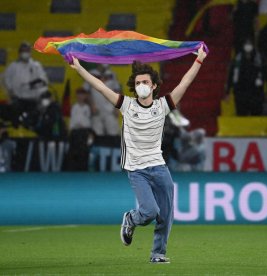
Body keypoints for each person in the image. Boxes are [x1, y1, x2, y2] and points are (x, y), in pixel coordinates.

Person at [70, 46, 207, 264]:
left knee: (166, 212)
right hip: (137, 169)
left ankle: (158, 253)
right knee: (150, 211)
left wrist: (199, 59)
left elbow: (185, 82)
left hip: (159, 167)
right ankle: (131, 218)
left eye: (145, 82)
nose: (141, 86)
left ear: (153, 85)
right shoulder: (127, 105)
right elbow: (99, 86)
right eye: (137, 83)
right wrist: (78, 68)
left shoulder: (163, 106)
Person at [4, 42, 49, 123]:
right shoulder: (13, 66)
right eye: (23, 51)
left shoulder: (36, 66)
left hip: (33, 100)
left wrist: (35, 88)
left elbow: (43, 81)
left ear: (30, 52)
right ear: (19, 52)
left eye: (27, 51)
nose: (25, 53)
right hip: (18, 99)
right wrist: (10, 91)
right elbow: (6, 79)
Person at [226, 38, 267, 116]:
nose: (248, 46)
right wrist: (228, 91)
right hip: (241, 93)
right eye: (246, 44)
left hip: (256, 93)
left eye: (250, 44)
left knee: (256, 116)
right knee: (241, 116)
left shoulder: (260, 58)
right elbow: (231, 75)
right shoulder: (237, 59)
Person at [82, 64, 121, 136]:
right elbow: (86, 92)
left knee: (113, 134)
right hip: (96, 111)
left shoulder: (112, 74)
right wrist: (92, 106)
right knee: (97, 134)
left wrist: (117, 109)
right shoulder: (91, 73)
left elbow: (117, 92)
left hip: (110, 111)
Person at [66, 88, 93, 171]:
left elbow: (88, 120)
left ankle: (84, 169)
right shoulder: (74, 107)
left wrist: (89, 133)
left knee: (84, 151)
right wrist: (70, 130)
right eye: (79, 94)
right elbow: (72, 120)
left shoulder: (87, 108)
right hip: (75, 131)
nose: (81, 96)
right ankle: (72, 169)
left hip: (84, 132)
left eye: (82, 95)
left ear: (85, 96)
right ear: (77, 96)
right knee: (73, 151)